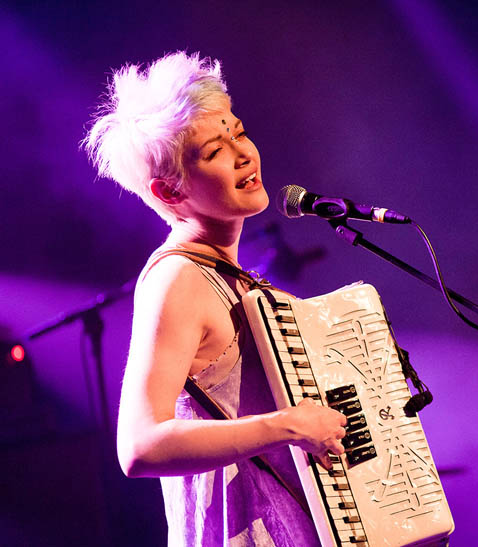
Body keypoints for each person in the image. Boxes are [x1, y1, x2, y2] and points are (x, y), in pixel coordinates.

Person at [83, 51, 347, 546]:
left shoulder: (231, 276)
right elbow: (139, 445)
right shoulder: (178, 277)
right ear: (169, 190)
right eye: (213, 151)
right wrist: (288, 425)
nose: (243, 153)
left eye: (239, 131)